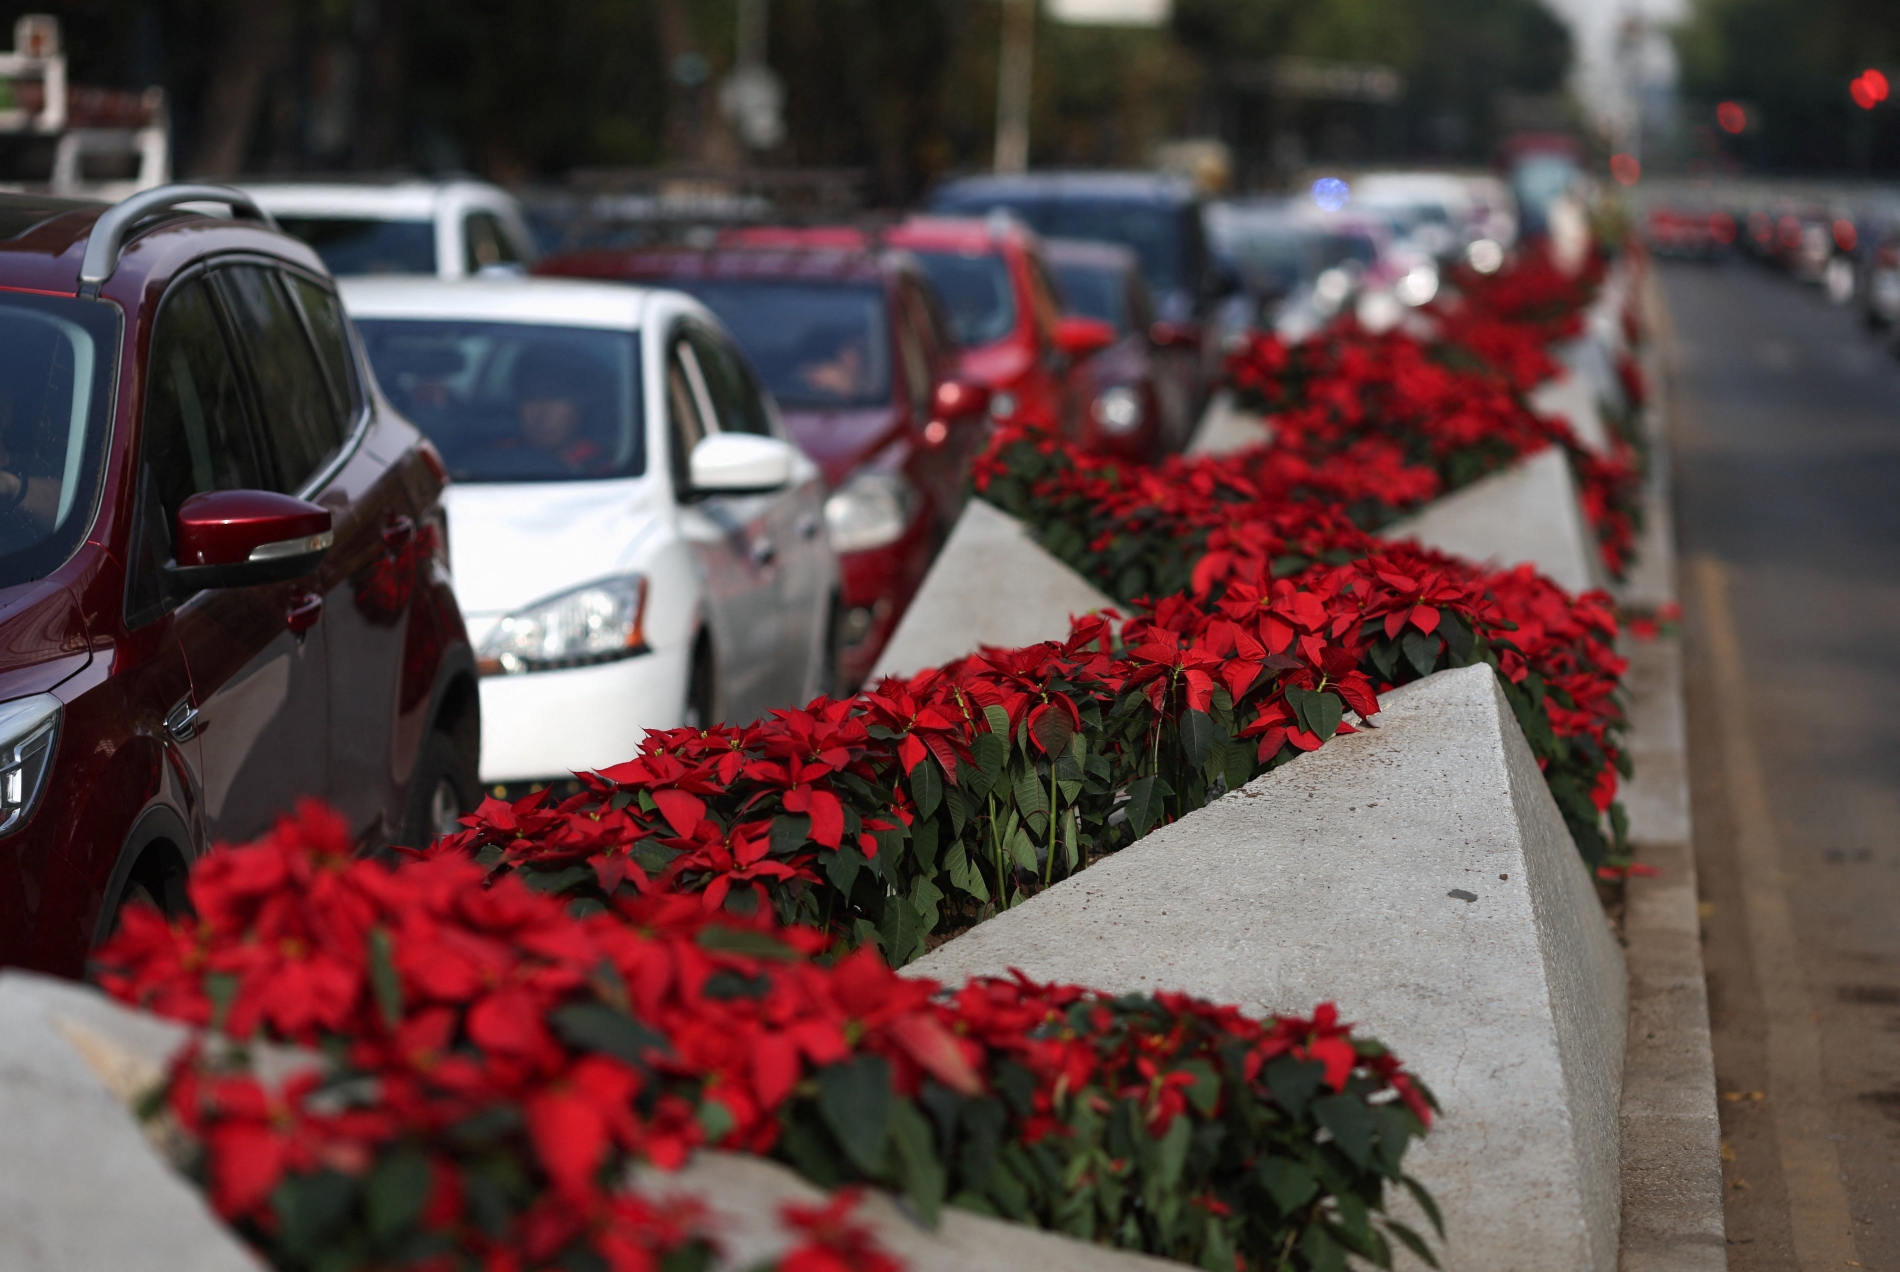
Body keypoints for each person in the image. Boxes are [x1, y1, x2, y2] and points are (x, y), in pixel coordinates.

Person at [504, 342, 615, 475]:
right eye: (531, 398)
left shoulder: (604, 469)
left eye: (556, 397)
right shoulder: (497, 457)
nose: (541, 412)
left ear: (582, 402)